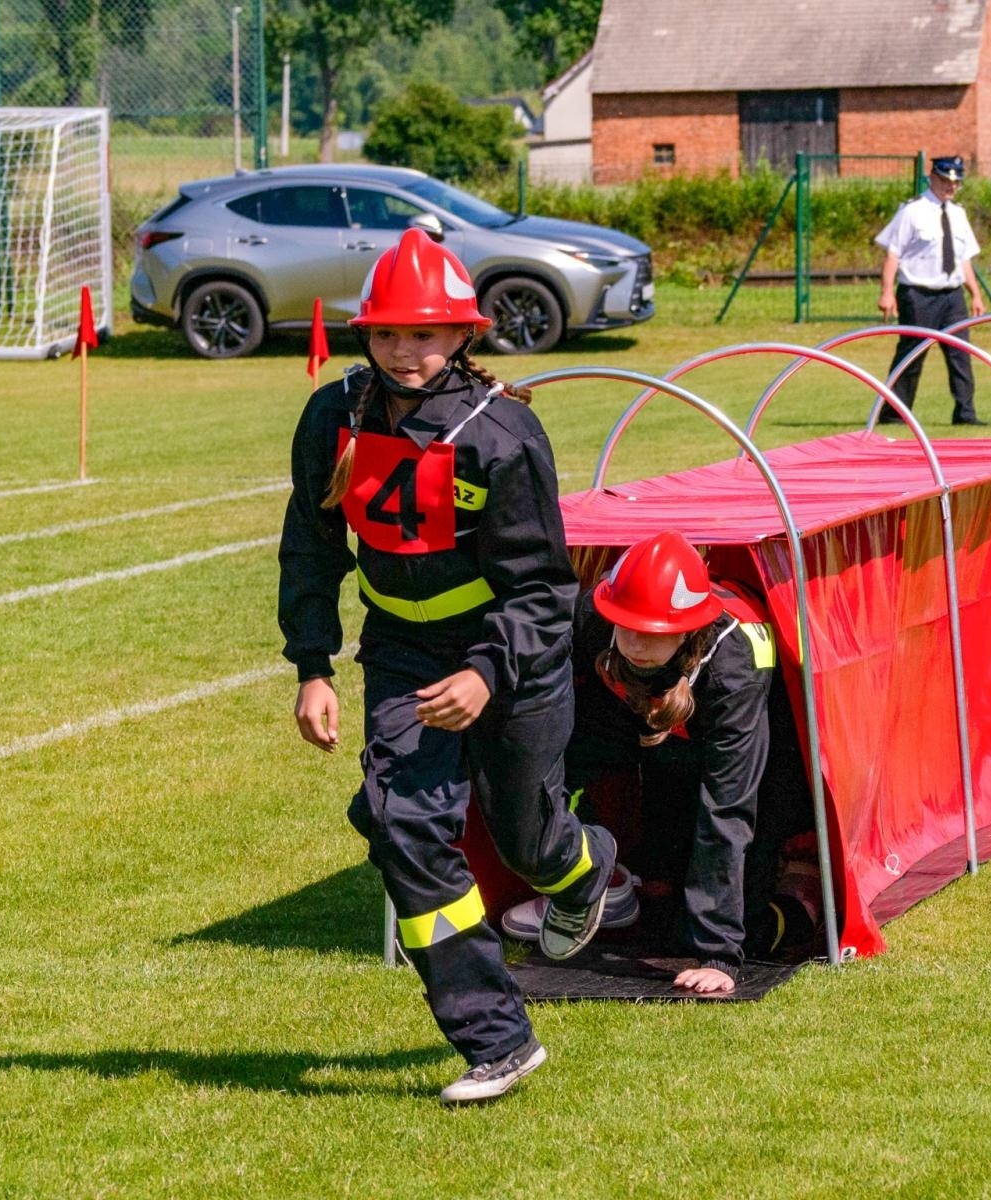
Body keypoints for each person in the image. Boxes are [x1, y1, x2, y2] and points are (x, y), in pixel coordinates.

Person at [278, 228, 618, 1104]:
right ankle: (497, 1039)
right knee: (402, 824)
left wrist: (486, 675)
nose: (404, 352)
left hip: (511, 655)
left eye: (425, 335)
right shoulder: (333, 416)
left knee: (525, 837)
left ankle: (583, 865)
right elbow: (311, 549)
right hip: (400, 654)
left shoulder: (504, 434)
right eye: (387, 334)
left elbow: (544, 591)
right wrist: (312, 665)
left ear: (465, 335)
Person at [501, 532, 816, 996]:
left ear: (688, 630)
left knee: (727, 910)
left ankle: (795, 896)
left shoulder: (734, 669)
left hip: (763, 754)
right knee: (553, 760)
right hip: (636, 715)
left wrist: (719, 955)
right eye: (624, 626)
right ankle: (585, 878)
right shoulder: (596, 612)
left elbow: (727, 809)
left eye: (652, 632)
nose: (634, 641)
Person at [875, 155, 989, 426]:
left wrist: (975, 293)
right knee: (911, 355)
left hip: (952, 295)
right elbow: (893, 255)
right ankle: (894, 414)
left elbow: (964, 260)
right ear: (933, 178)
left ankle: (965, 413)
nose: (952, 187)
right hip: (918, 294)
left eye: (956, 182)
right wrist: (887, 292)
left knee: (960, 354)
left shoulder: (958, 214)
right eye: (947, 181)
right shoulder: (912, 211)